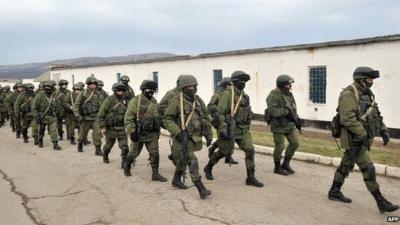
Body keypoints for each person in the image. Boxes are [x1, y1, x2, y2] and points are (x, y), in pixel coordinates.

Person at [327, 66, 399, 213]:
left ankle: (334, 191)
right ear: (361, 80)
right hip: (354, 139)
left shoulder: (368, 94)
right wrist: (362, 133)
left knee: (346, 164)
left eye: (372, 79)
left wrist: (383, 130)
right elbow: (347, 119)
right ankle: (381, 202)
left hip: (363, 139)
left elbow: (376, 114)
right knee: (368, 168)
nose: (372, 82)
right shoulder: (348, 94)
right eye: (369, 79)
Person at [204, 71, 263, 188]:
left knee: (250, 150)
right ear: (235, 82)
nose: (243, 83)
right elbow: (219, 113)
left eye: (245, 82)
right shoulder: (227, 94)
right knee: (224, 152)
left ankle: (250, 177)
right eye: (241, 81)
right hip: (229, 128)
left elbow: (246, 113)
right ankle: (209, 166)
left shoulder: (245, 96)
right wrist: (223, 128)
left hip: (242, 130)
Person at [163, 75, 212, 199]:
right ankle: (200, 188)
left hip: (195, 137)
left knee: (183, 159)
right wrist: (178, 132)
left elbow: (206, 118)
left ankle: (175, 179)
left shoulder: (199, 101)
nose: (193, 89)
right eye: (190, 87)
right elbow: (167, 118)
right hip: (182, 137)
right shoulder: (176, 101)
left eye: (194, 86)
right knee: (192, 160)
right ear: (184, 88)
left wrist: (208, 134)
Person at [123, 80, 167, 182]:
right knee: (134, 153)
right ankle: (127, 165)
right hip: (139, 133)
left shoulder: (154, 102)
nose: (150, 92)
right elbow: (128, 117)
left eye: (153, 90)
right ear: (143, 90)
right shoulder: (135, 101)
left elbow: (158, 117)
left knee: (154, 153)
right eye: (148, 90)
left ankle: (155, 174)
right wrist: (132, 131)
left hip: (152, 133)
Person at [266, 75, 300, 176]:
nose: (290, 86)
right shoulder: (273, 95)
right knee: (280, 147)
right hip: (278, 125)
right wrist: (286, 112)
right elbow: (273, 111)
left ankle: (286, 163)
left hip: (289, 124)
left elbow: (292, 107)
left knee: (295, 143)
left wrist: (296, 118)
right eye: (288, 84)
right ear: (282, 85)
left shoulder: (288, 94)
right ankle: (277, 167)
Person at [207, 77, 238, 164]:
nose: (231, 87)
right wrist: (220, 109)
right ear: (225, 85)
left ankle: (229, 157)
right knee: (223, 138)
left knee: (232, 138)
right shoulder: (218, 95)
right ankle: (212, 148)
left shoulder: (231, 94)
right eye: (229, 85)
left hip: (230, 119)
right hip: (220, 120)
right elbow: (210, 106)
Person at [97, 82, 129, 168]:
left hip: (122, 128)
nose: (121, 92)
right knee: (108, 146)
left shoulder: (126, 100)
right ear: (115, 91)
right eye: (119, 91)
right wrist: (103, 127)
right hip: (111, 129)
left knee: (125, 147)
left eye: (122, 91)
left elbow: (130, 114)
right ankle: (105, 154)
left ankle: (124, 162)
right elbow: (101, 115)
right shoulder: (109, 100)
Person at [73, 77, 103, 155]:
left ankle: (98, 149)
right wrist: (77, 115)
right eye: (91, 84)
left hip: (95, 117)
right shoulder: (83, 93)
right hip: (85, 118)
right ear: (88, 85)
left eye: (94, 84)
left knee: (97, 134)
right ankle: (80, 144)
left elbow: (102, 106)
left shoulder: (99, 94)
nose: (93, 86)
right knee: (82, 134)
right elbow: (76, 105)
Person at [159, 75, 183, 163]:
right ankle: (177, 160)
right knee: (177, 139)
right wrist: (170, 111)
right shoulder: (171, 93)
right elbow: (161, 106)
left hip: (185, 122)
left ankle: (174, 155)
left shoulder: (186, 93)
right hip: (174, 122)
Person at [32, 81, 62, 150]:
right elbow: (34, 107)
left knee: (54, 130)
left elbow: (58, 106)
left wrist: (60, 114)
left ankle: (55, 144)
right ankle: (40, 140)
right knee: (41, 130)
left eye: (49, 89)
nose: (48, 90)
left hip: (52, 117)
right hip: (43, 116)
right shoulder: (39, 96)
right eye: (46, 89)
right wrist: (36, 115)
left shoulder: (54, 96)